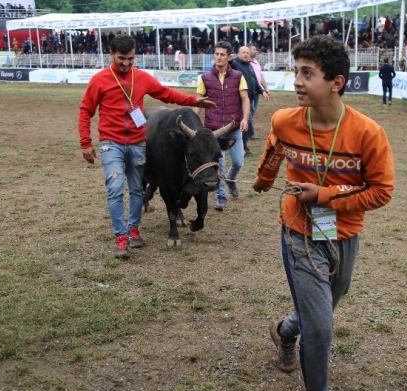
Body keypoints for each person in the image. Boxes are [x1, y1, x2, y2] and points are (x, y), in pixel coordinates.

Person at [252, 35, 394, 391]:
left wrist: (325, 196)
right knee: (323, 328)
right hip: (297, 231)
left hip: (342, 232)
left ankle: (285, 329)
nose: (297, 81)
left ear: (337, 82)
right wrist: (263, 180)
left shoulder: (368, 133)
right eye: (295, 71)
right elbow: (274, 152)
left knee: (326, 306)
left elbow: (382, 192)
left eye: (307, 73)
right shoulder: (284, 120)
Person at [78, 34, 215, 258]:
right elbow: (86, 111)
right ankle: (121, 237)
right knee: (114, 189)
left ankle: (133, 229)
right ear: (111, 54)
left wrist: (193, 100)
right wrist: (85, 142)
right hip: (111, 143)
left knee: (137, 189)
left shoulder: (141, 77)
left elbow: (166, 94)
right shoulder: (99, 79)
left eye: (130, 59)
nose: (126, 63)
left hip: (137, 142)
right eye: (121, 58)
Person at [195, 41, 249, 212]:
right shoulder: (205, 78)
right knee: (219, 163)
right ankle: (220, 196)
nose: (218, 57)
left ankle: (231, 180)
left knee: (239, 161)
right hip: (214, 130)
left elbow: (245, 99)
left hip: (234, 128)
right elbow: (197, 101)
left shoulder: (238, 76)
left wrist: (245, 118)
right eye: (216, 54)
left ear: (229, 57)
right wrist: (194, 121)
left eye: (222, 54)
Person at [230, 45, 266, 156]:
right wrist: (229, 60)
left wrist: (262, 91)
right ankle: (240, 147)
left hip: (248, 100)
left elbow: (254, 81)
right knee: (243, 123)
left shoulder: (250, 66)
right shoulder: (234, 64)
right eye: (243, 52)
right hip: (237, 100)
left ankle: (242, 146)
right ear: (238, 53)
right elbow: (228, 65)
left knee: (246, 124)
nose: (246, 54)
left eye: (247, 52)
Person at [248, 43, 270, 142]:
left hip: (257, 91)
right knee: (248, 112)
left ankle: (250, 133)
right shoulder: (245, 63)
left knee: (252, 112)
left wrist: (265, 87)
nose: (255, 51)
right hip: (248, 91)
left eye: (256, 49)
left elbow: (260, 76)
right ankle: (248, 133)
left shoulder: (256, 62)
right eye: (254, 49)